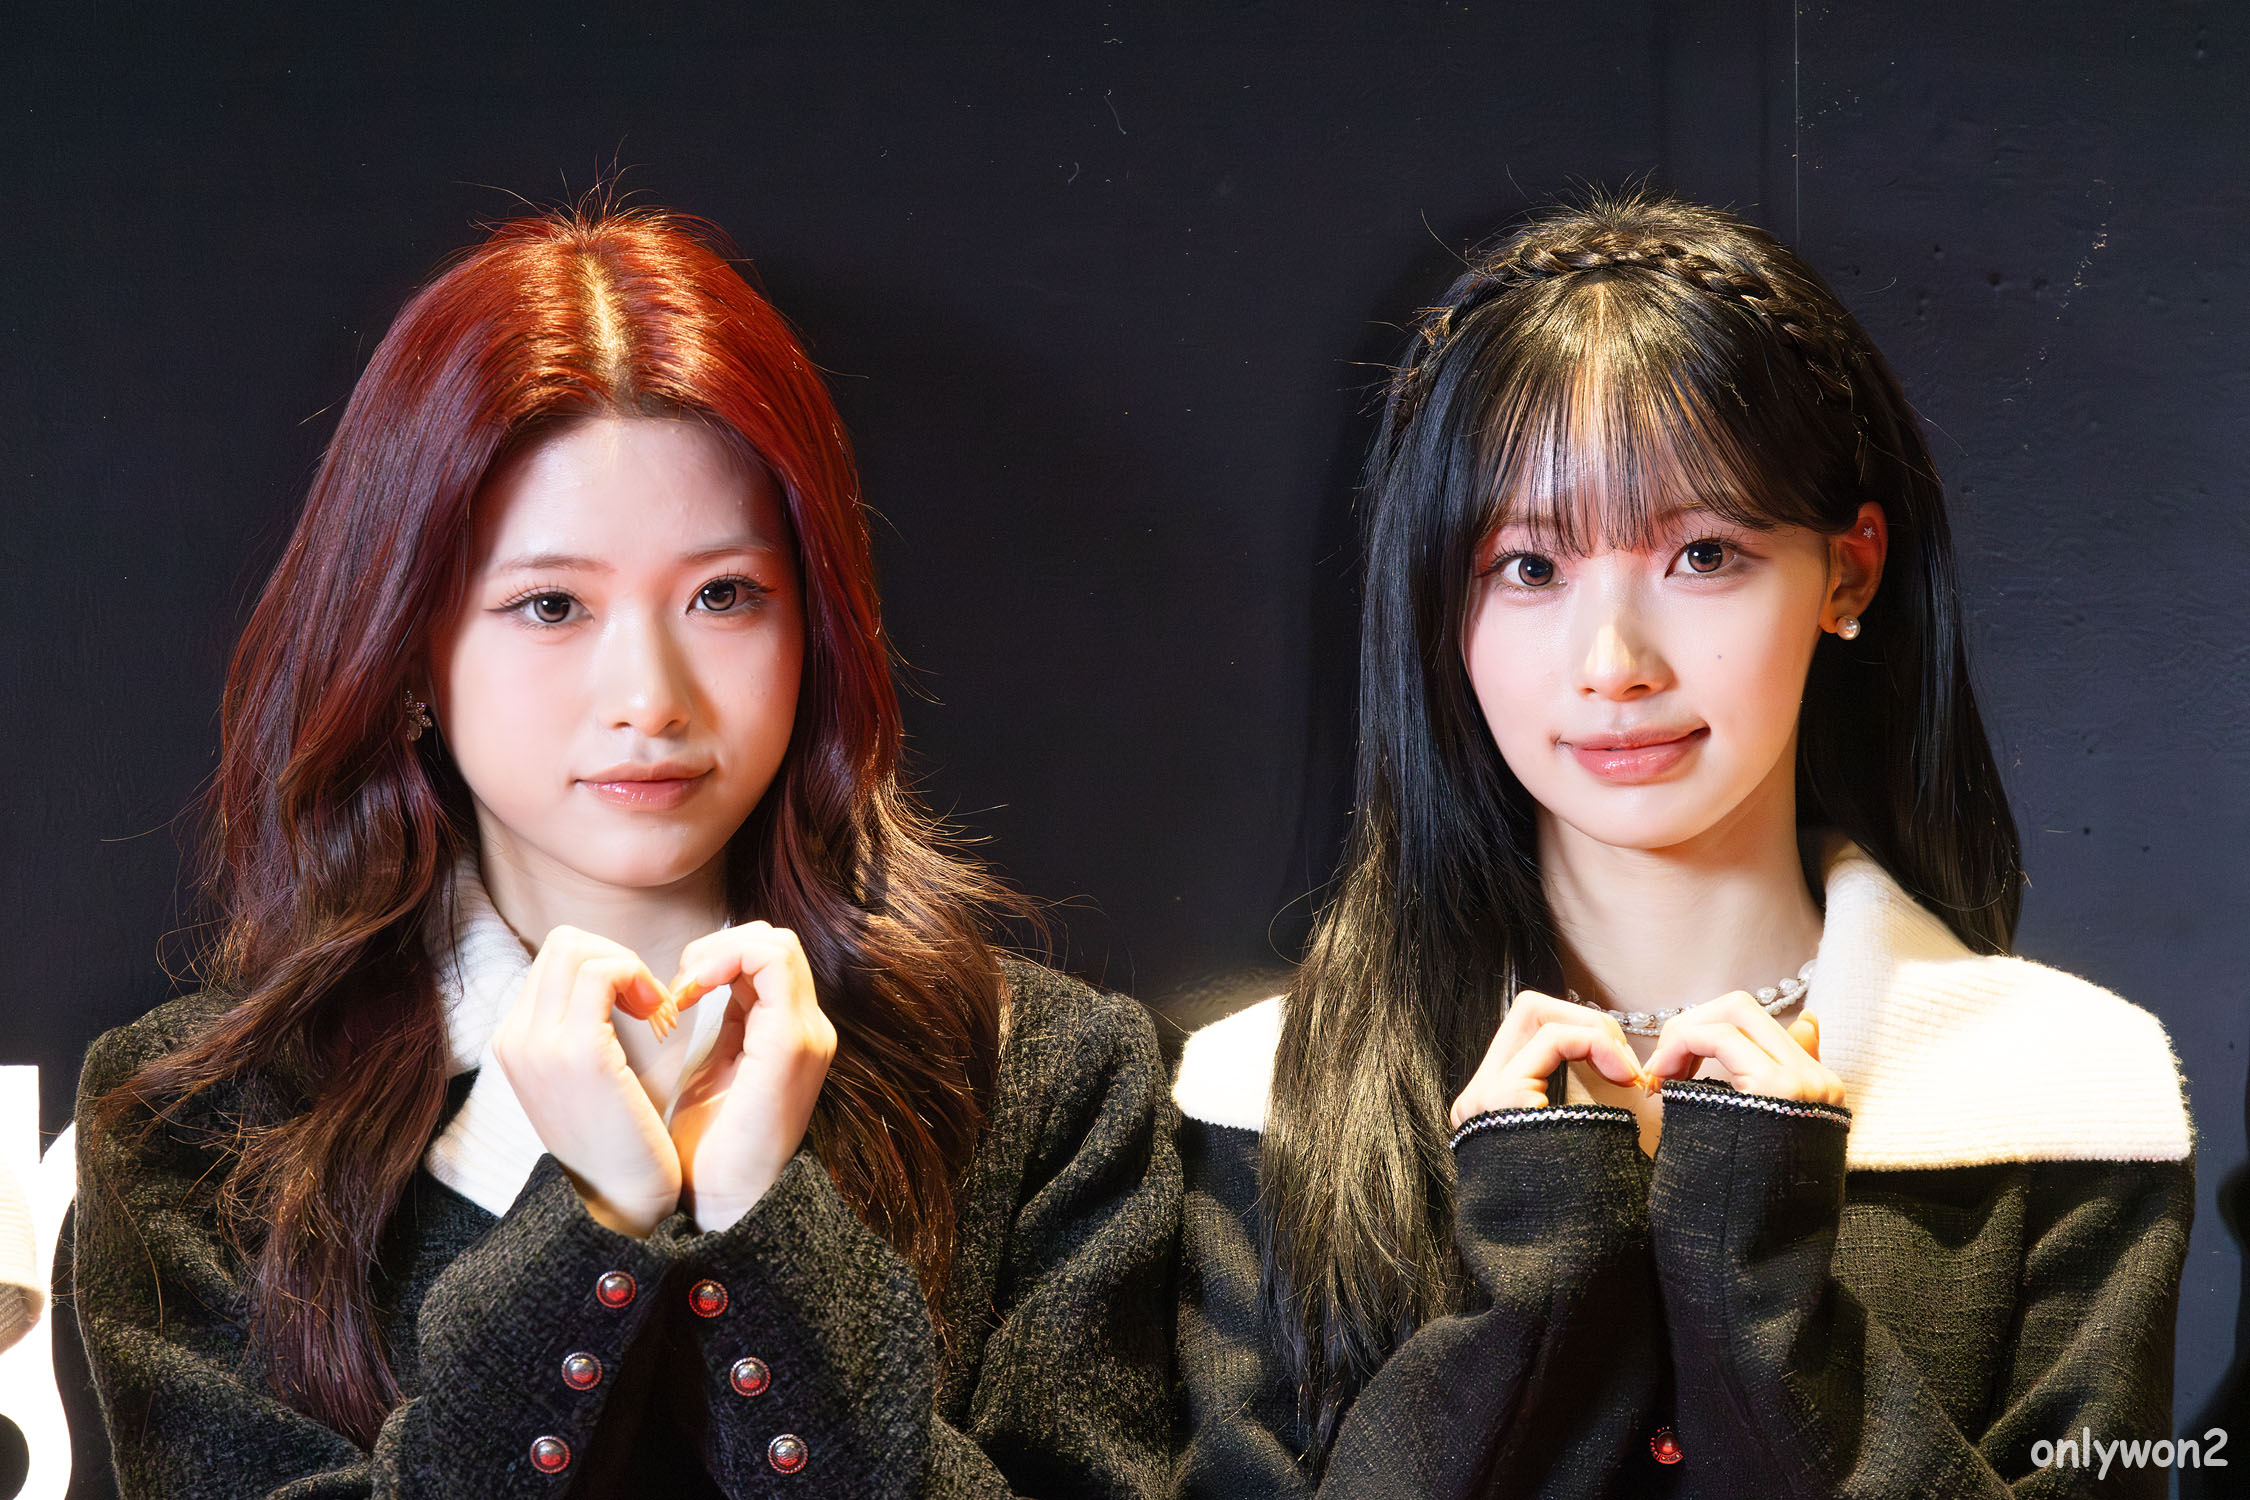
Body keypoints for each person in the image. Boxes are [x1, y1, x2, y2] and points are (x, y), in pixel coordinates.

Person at [74, 205, 1177, 1498]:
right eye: (551, 605)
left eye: (724, 595)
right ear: (409, 647)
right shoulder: (202, 1122)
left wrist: (765, 1222)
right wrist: (595, 1221)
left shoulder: (1041, 1080)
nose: (649, 697)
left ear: (817, 624)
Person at [1170, 193, 2193, 1498]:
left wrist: (1753, 1274)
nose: (1613, 663)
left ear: (1846, 573)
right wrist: (1535, 1271)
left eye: (1702, 554)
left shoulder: (2066, 1086)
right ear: (1434, 599)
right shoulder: (1260, 1095)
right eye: (1528, 568)